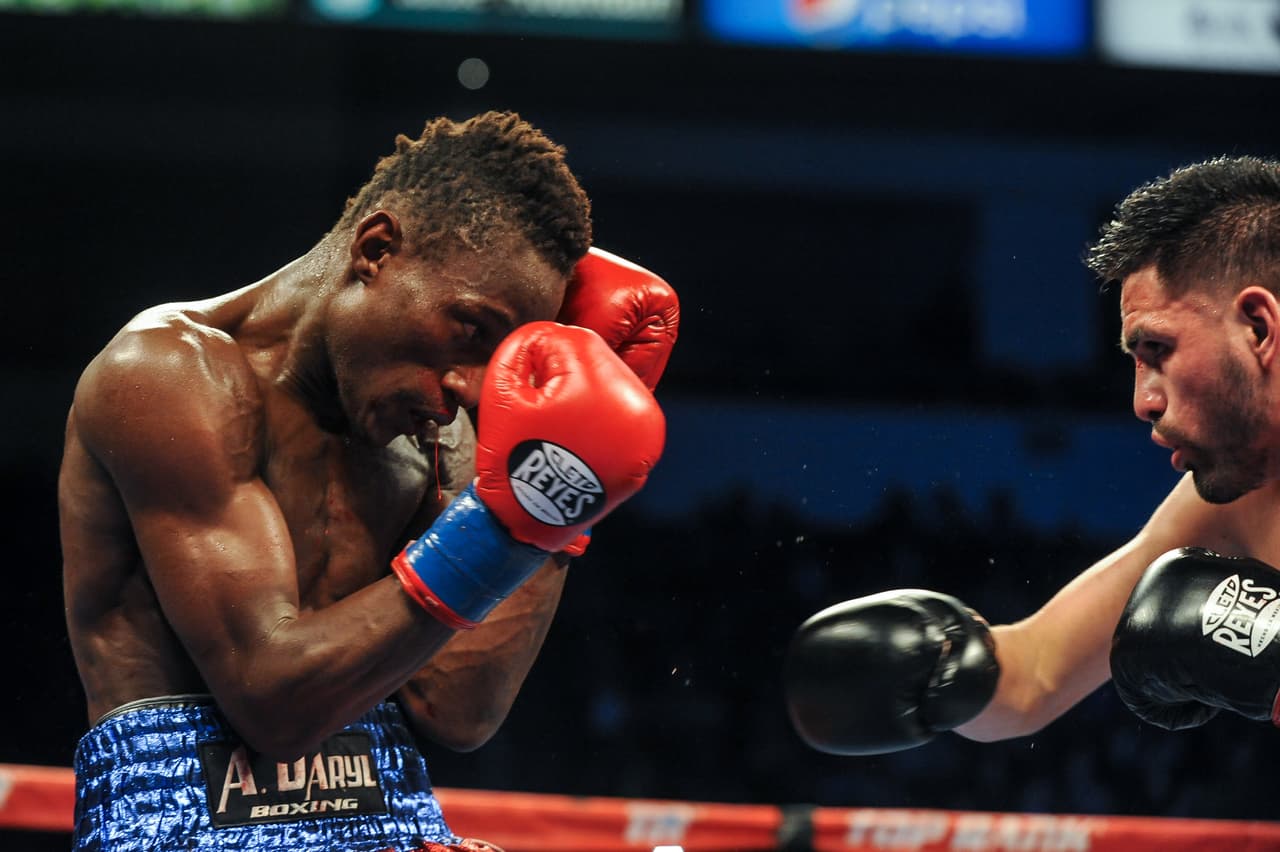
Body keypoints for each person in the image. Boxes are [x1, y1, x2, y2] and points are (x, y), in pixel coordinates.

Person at [57, 110, 679, 852]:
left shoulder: (435, 420)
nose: (467, 386)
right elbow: (273, 703)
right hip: (189, 818)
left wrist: (554, 505)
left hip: (394, 812)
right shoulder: (165, 375)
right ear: (376, 249)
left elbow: (459, 712)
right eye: (470, 328)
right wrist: (498, 527)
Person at [783, 154, 1280, 755]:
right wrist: (948, 668)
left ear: (1258, 328)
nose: (1143, 400)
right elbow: (1038, 674)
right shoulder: (1239, 494)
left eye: (1158, 349)